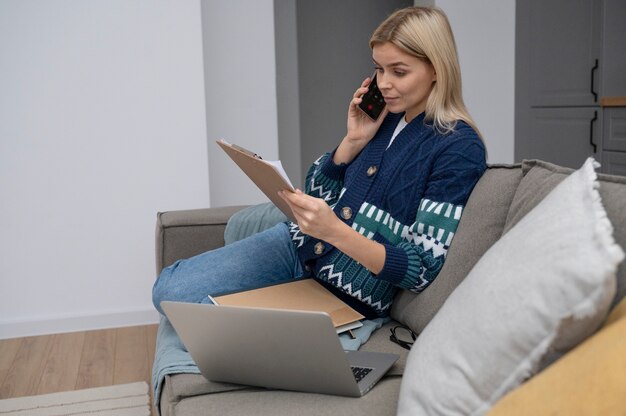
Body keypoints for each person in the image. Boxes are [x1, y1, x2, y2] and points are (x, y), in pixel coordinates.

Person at [152, 6, 487, 320]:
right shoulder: (383, 117)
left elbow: (422, 268)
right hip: (295, 246)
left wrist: (336, 233)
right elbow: (317, 191)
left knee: (202, 320)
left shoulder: (457, 148)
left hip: (344, 292)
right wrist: (352, 141)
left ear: (437, 69)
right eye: (378, 68)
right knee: (168, 290)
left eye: (398, 71)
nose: (383, 84)